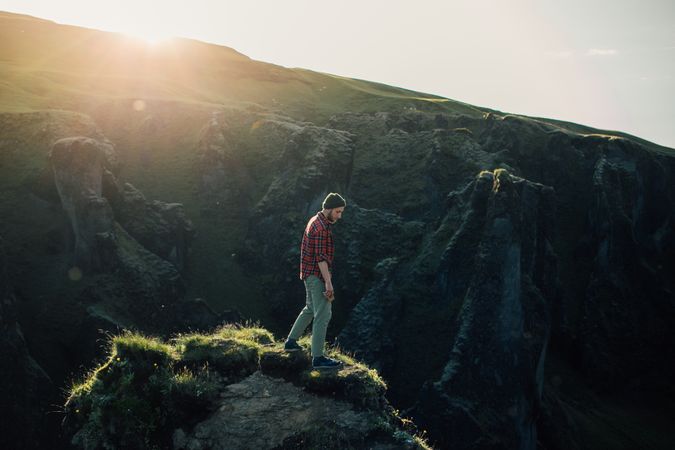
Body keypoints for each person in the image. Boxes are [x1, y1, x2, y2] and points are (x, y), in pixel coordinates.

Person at [284, 193, 346, 369]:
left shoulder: (316, 220)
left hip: (309, 273)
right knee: (323, 314)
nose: (339, 216)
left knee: (310, 308)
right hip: (317, 275)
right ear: (328, 209)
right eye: (337, 212)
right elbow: (321, 258)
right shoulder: (320, 228)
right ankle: (318, 358)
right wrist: (328, 282)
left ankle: (291, 342)